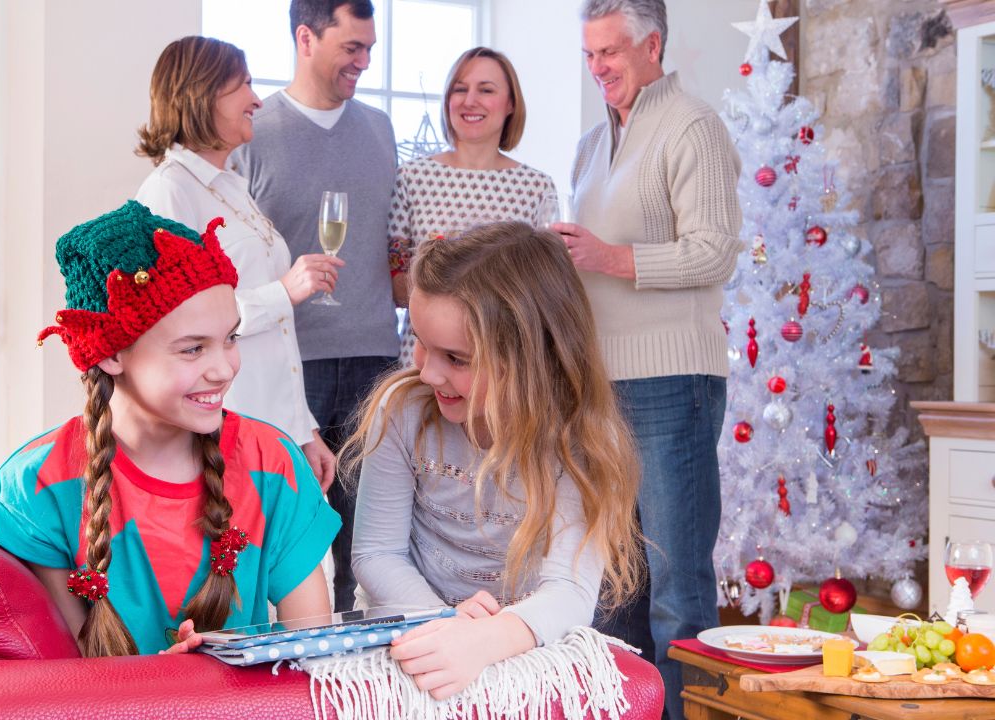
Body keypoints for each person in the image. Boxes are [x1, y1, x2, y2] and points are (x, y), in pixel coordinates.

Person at [0, 200, 340, 657]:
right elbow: (62, 674)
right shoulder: (40, 483)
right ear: (112, 354)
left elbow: (313, 654)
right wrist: (164, 683)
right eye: (192, 349)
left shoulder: (273, 462)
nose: (224, 369)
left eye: (231, 338)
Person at [347, 223, 644, 700]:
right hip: (408, 633)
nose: (428, 372)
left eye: (456, 358)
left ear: (531, 359)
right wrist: (444, 624)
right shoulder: (402, 411)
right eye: (420, 340)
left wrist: (484, 640)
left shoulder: (580, 441)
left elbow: (568, 592)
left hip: (519, 649)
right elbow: (376, 555)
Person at [562, 2, 742, 718]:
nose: (597, 67)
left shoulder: (694, 127)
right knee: (615, 590)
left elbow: (714, 252)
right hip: (599, 388)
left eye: (609, 52)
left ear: (652, 45)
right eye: (589, 54)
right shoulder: (589, 144)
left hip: (672, 383)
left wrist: (609, 258)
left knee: (676, 589)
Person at [230, 0, 399, 613]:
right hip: (287, 364)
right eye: (352, 48)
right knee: (281, 528)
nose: (364, 61)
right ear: (306, 38)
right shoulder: (255, 131)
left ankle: (359, 657)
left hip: (375, 357)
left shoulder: (380, 129)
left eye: (370, 48)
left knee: (368, 536)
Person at [134, 36, 341, 490]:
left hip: (274, 426)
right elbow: (174, 324)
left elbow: (276, 340)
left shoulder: (232, 186)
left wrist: (303, 430)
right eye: (244, 85)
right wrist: (284, 293)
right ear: (202, 94)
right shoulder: (169, 191)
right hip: (223, 425)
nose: (257, 100)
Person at [387, 46, 556, 365]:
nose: (470, 100)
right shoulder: (411, 178)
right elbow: (398, 289)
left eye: (486, 90)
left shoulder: (537, 187)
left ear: (511, 103)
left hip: (504, 362)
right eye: (460, 89)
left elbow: (541, 291)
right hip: (423, 360)